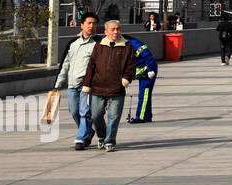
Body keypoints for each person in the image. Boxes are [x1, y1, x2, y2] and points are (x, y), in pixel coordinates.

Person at [81, 20, 137, 152]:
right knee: (96, 115)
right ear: (106, 32)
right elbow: (91, 65)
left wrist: (126, 79)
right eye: (113, 29)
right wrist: (87, 84)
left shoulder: (127, 46)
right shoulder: (99, 45)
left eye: (118, 29)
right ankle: (102, 136)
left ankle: (110, 141)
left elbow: (131, 65)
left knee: (113, 117)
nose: (116, 32)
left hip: (116, 89)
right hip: (97, 87)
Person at [56, 12, 102, 149]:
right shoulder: (73, 43)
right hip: (72, 83)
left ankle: (81, 138)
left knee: (85, 111)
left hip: (88, 84)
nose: (91, 26)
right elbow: (65, 64)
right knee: (74, 111)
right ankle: (88, 131)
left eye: (94, 23)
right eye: (89, 23)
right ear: (82, 25)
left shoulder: (99, 44)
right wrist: (57, 84)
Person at [125, 34, 158, 123]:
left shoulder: (135, 44)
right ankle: (147, 116)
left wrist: (151, 70)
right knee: (145, 95)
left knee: (144, 95)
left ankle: (141, 117)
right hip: (141, 71)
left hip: (148, 71)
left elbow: (148, 56)